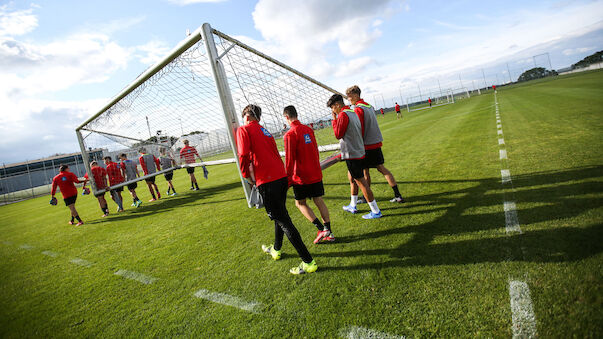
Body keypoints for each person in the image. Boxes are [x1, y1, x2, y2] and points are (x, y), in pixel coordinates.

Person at [236, 104, 317, 274]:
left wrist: (246, 176)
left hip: (267, 180)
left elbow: (243, 155)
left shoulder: (244, 130)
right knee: (279, 215)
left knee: (283, 220)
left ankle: (308, 262)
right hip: (280, 178)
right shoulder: (265, 131)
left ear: (247, 116)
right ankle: (277, 249)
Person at [346, 85, 406, 205]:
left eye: (350, 97)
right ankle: (398, 195)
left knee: (364, 172)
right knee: (381, 169)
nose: (348, 99)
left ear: (356, 95)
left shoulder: (358, 108)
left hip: (366, 145)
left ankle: (365, 197)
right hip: (376, 143)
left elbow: (359, 129)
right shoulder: (368, 105)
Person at [283, 105, 334, 244]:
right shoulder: (308, 129)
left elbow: (289, 160)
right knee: (318, 199)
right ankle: (329, 231)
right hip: (315, 171)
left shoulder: (289, 134)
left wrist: (287, 179)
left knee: (300, 203)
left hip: (301, 177)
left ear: (286, 117)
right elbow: (315, 150)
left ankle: (321, 228)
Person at [328, 93, 382, 219]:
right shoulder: (352, 111)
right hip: (358, 151)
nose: (332, 110)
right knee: (352, 179)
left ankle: (375, 211)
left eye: (332, 107)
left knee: (361, 182)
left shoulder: (343, 114)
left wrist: (334, 119)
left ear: (337, 105)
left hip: (352, 154)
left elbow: (338, 134)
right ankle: (353, 205)